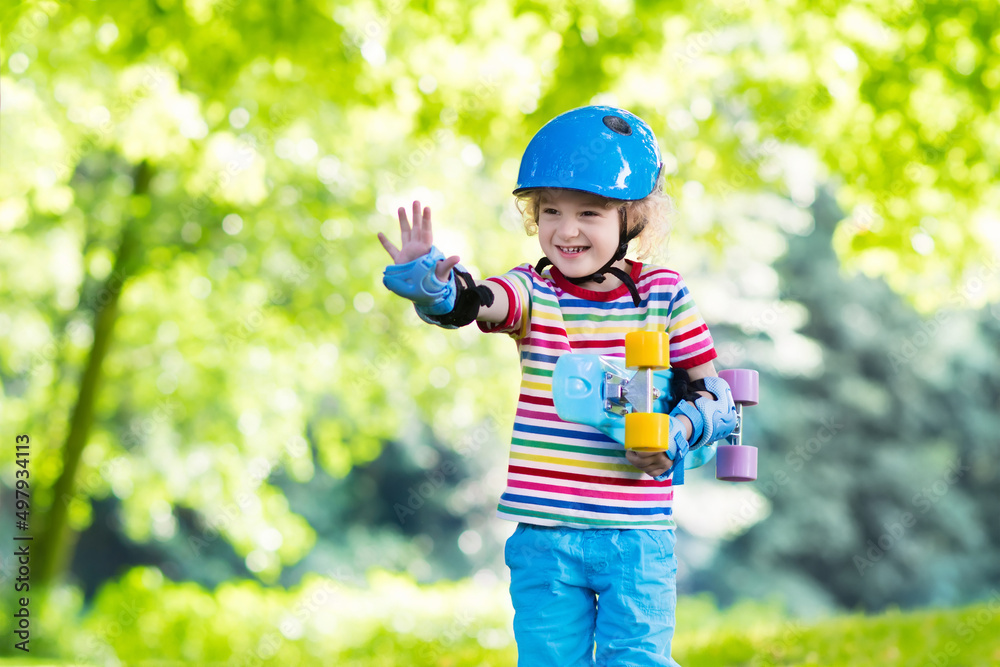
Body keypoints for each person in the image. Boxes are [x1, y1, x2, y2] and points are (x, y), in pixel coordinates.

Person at [378, 105, 737, 666]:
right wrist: (436, 291)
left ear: (633, 219)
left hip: (634, 537)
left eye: (589, 213)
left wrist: (677, 431)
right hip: (545, 535)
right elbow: (480, 302)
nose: (566, 230)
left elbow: (717, 397)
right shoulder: (534, 291)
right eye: (551, 211)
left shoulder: (662, 295)